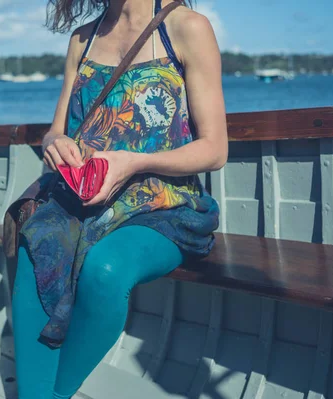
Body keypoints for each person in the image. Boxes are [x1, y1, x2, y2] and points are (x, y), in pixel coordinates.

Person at [12, 0, 227, 397]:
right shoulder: (83, 39)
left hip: (164, 205)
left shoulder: (187, 28)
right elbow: (56, 131)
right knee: (37, 246)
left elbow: (215, 149)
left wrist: (133, 162)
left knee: (104, 270)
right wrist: (55, 143)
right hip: (82, 202)